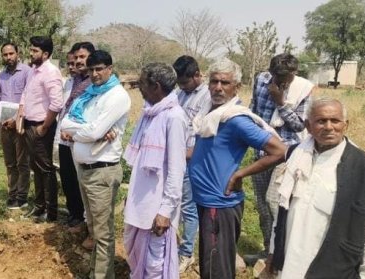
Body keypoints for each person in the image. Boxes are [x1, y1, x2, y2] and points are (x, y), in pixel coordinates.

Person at [268, 98, 365, 278]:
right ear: (308, 126)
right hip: (290, 263)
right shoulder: (296, 156)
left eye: (335, 121)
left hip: (334, 268)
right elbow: (282, 210)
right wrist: (273, 251)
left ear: (345, 125)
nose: (329, 127)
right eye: (321, 121)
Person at [188, 58, 286, 279]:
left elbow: (279, 150)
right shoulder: (210, 115)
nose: (218, 87)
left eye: (225, 82)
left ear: (236, 87)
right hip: (206, 200)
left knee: (217, 269)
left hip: (219, 203)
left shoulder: (235, 120)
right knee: (211, 264)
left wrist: (241, 173)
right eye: (214, 81)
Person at [59, 50, 130, 279]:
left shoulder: (117, 96)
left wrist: (87, 132)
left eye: (100, 69)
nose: (95, 74)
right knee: (93, 229)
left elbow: (93, 130)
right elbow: (66, 123)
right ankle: (96, 272)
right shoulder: (89, 93)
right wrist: (89, 132)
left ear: (110, 68)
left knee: (102, 233)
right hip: (85, 169)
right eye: (91, 70)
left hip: (102, 171)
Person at [122, 62, 187, 278]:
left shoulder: (174, 117)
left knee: (154, 266)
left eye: (141, 83)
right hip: (140, 202)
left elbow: (177, 169)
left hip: (157, 207)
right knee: (136, 257)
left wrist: (165, 211)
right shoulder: (150, 113)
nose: (138, 87)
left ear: (156, 86)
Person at [249, 53, 313, 256]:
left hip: (286, 153)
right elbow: (254, 109)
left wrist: (281, 102)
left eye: (286, 78)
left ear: (294, 73)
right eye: (278, 78)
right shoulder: (261, 80)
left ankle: (283, 254)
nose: (282, 82)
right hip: (261, 151)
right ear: (270, 73)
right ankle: (269, 250)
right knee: (261, 206)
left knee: (274, 201)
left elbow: (299, 126)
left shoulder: (303, 88)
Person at [171, 55, 211, 272]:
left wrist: (187, 154)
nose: (183, 86)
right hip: (175, 158)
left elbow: (203, 135)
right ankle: (174, 246)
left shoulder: (207, 97)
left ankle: (187, 253)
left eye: (186, 82)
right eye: (180, 83)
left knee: (188, 207)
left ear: (197, 75)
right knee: (174, 203)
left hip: (190, 160)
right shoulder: (180, 94)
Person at [21, 36, 64, 222]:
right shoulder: (33, 70)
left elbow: (57, 103)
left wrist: (45, 127)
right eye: (30, 50)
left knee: (46, 170)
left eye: (35, 51)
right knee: (35, 169)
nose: (31, 53)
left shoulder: (51, 72)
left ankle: (51, 213)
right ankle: (39, 207)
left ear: (45, 54)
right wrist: (20, 117)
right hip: (30, 125)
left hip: (41, 128)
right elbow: (26, 94)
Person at [58, 42, 95, 235]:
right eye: (76, 58)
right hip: (65, 138)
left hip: (80, 140)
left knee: (81, 181)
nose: (78, 61)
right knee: (68, 178)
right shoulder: (76, 80)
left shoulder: (93, 84)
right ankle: (74, 215)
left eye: (82, 57)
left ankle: (83, 221)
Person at [0, 43, 32, 209]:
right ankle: (12, 194)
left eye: (11, 53)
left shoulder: (27, 72)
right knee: (10, 163)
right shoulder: (1, 76)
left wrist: (15, 119)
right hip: (4, 125)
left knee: (22, 162)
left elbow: (29, 98)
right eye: (5, 54)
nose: (8, 57)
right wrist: (2, 118)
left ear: (18, 53)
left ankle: (22, 197)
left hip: (20, 124)